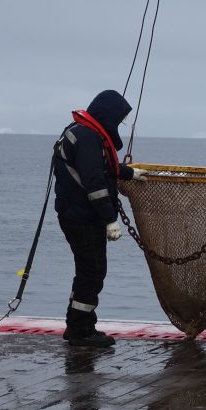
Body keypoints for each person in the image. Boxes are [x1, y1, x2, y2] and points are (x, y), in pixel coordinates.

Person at [53, 89, 147, 348]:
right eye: (119, 119)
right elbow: (94, 181)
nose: (119, 125)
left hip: (76, 214)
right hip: (81, 217)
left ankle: (78, 325)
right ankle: (80, 332)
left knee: (88, 271)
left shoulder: (83, 131)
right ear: (108, 115)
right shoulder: (87, 137)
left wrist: (128, 173)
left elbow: (102, 166)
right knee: (92, 271)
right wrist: (109, 219)